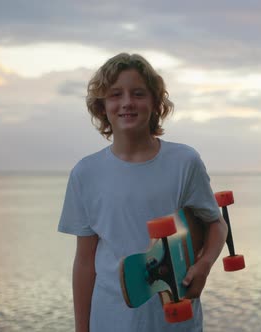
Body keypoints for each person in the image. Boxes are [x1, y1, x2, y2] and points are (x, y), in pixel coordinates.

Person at [58, 53, 228, 331]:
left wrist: (205, 264)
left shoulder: (184, 162)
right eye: (115, 94)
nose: (127, 102)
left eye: (138, 93)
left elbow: (216, 224)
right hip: (110, 321)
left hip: (176, 322)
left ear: (155, 103)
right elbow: (85, 262)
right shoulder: (85, 173)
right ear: (102, 106)